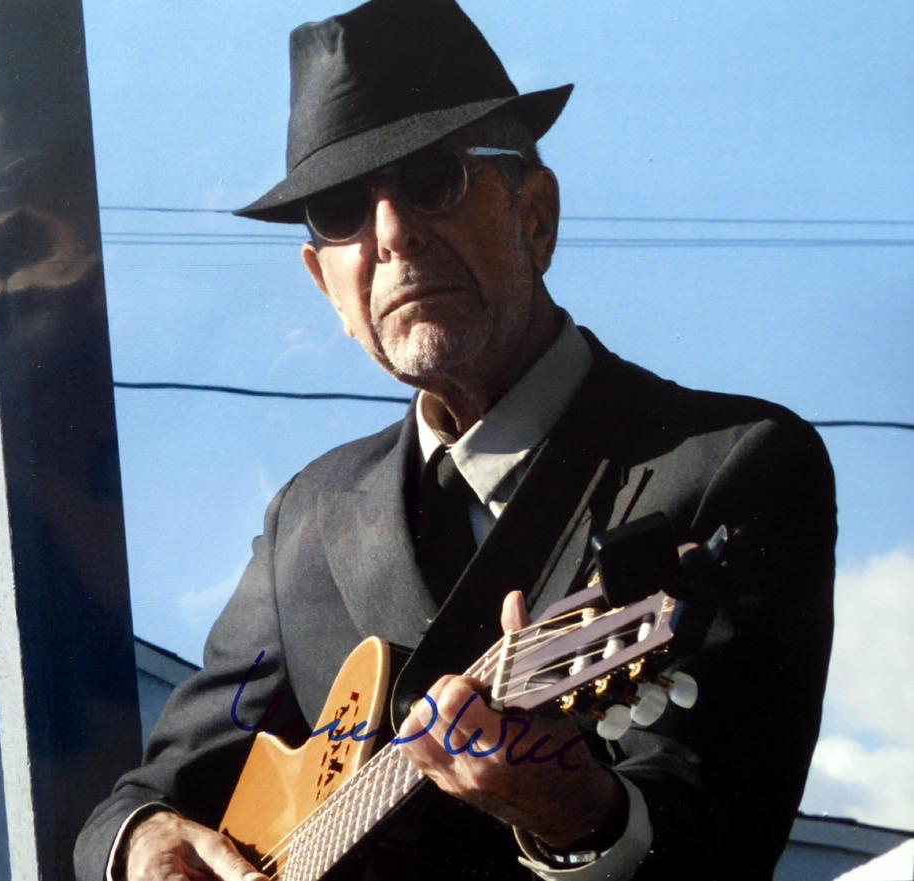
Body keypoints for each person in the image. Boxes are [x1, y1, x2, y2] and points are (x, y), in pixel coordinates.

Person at [75, 1, 836, 879]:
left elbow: (718, 832)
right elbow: (155, 786)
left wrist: (573, 809)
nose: (392, 233)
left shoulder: (730, 462)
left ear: (536, 217)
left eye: (434, 179)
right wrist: (142, 841)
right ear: (326, 281)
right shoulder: (307, 521)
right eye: (339, 209)